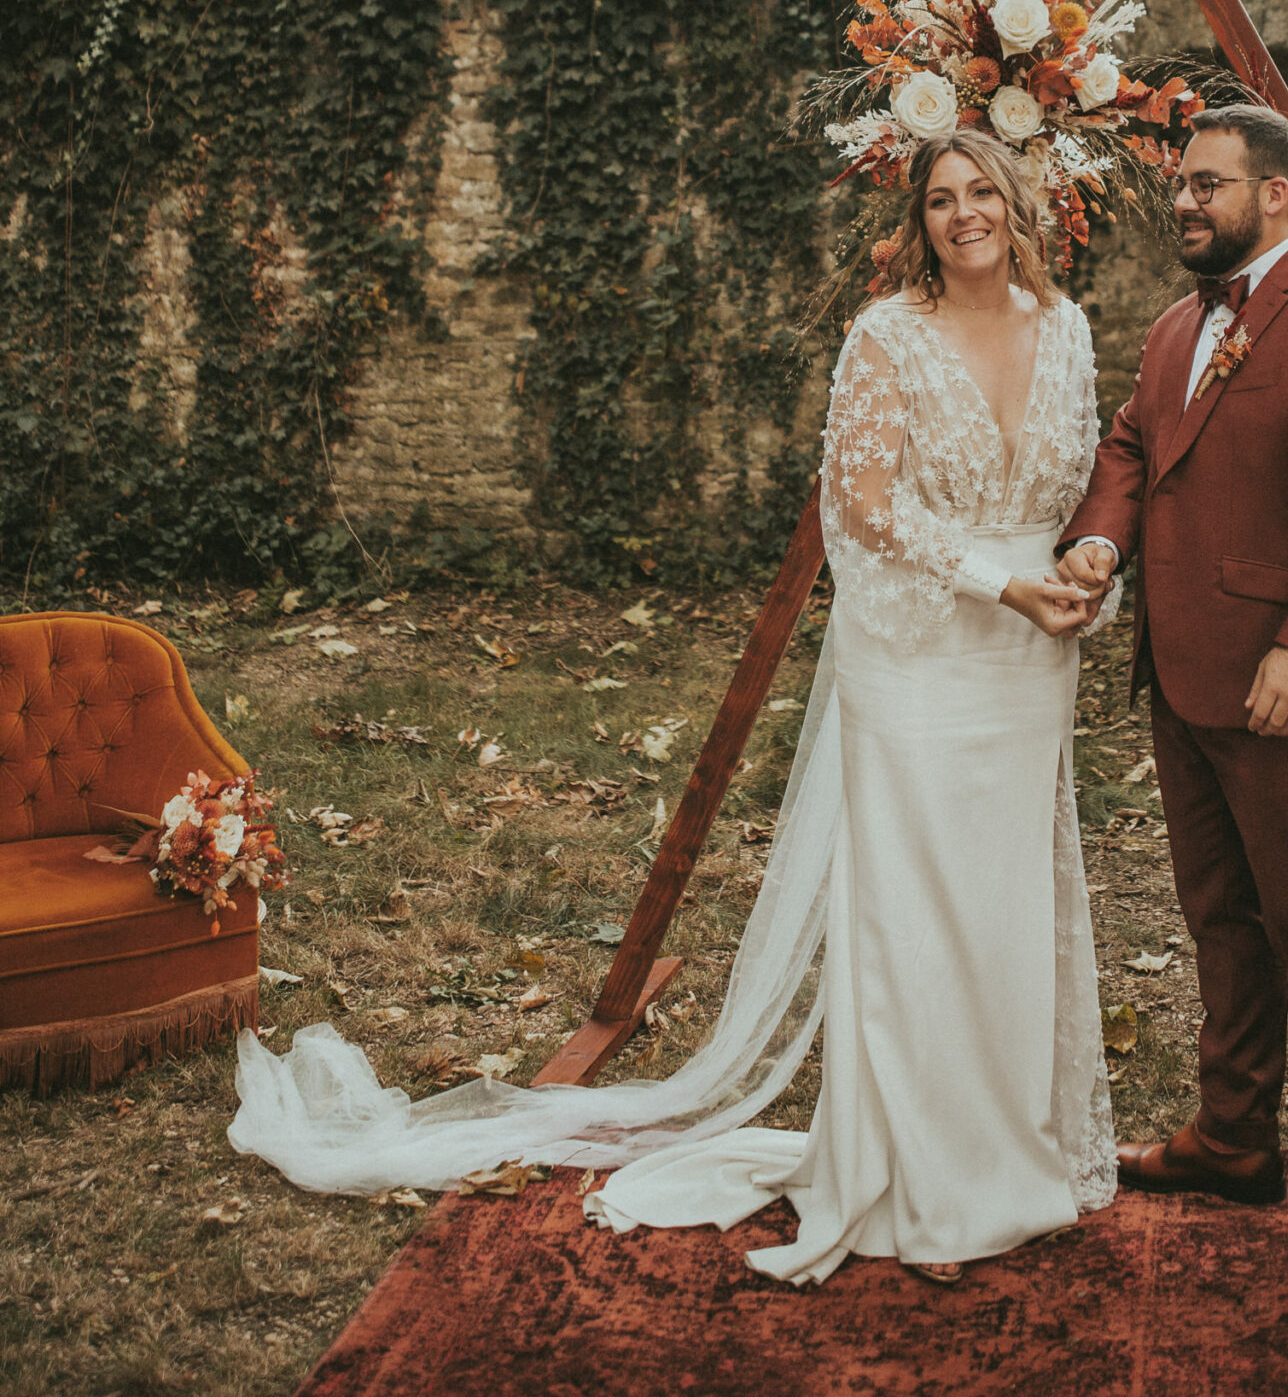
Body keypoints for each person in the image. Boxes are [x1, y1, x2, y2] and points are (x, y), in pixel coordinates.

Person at [229, 133, 1118, 1287]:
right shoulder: (886, 336)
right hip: (921, 654)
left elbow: (1084, 490)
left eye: (982, 190)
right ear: (919, 221)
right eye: (941, 198)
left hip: (1029, 660)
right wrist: (998, 580)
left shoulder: (1069, 330)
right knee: (917, 913)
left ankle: (1008, 1161)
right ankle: (924, 1183)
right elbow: (863, 507)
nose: (965, 213)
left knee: (1005, 909)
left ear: (1017, 203)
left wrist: (1082, 567)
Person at [1057, 103, 1288, 1278]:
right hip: (1182, 672)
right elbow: (1129, 445)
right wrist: (1100, 541)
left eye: (1206, 182)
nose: (1183, 199)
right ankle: (1234, 1132)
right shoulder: (1177, 327)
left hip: (1286, 687)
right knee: (1219, 912)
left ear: (1274, 195)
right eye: (1181, 182)